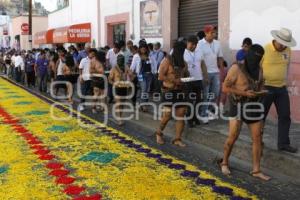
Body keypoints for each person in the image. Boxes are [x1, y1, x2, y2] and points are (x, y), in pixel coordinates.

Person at [220, 44, 271, 181]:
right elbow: (225, 88)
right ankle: (224, 162)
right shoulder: (236, 68)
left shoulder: (260, 70)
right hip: (237, 106)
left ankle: (256, 170)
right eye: (255, 57)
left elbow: (260, 85)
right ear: (248, 55)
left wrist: (261, 91)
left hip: (253, 106)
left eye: (259, 57)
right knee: (233, 136)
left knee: (257, 139)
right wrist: (244, 92)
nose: (256, 60)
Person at [261, 28, 298, 153]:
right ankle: (257, 140)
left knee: (285, 116)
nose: (283, 45)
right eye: (281, 42)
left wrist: (285, 80)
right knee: (261, 116)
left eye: (285, 43)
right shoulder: (265, 49)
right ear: (276, 39)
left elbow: (286, 66)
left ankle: (283, 144)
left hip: (281, 88)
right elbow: (257, 67)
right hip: (266, 87)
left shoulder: (288, 50)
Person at [155, 41, 189, 147]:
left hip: (180, 92)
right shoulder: (167, 61)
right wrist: (174, 80)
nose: (183, 52)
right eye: (181, 50)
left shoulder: (184, 62)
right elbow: (160, 77)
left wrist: (185, 79)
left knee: (181, 115)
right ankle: (159, 133)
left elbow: (185, 75)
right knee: (167, 115)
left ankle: (177, 139)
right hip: (168, 91)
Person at [198, 25, 224, 122]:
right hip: (205, 73)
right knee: (205, 94)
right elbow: (199, 60)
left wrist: (221, 71)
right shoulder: (200, 44)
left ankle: (207, 110)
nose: (214, 34)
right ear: (206, 33)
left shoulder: (217, 43)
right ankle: (203, 114)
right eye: (212, 32)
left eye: (215, 33)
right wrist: (203, 74)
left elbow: (220, 57)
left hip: (216, 72)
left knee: (215, 94)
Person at [184, 35, 207, 127]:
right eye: (192, 44)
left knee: (199, 100)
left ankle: (194, 116)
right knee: (189, 100)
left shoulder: (199, 51)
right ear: (187, 43)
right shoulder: (183, 52)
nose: (194, 46)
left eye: (195, 44)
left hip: (198, 79)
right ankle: (189, 118)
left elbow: (203, 64)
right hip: (188, 80)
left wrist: (206, 76)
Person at [130, 41, 157, 112]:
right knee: (144, 88)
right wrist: (131, 73)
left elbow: (154, 64)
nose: (143, 49)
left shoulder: (150, 56)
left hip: (149, 75)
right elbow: (132, 66)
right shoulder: (136, 56)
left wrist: (155, 72)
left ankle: (140, 104)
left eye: (145, 48)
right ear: (139, 49)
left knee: (146, 90)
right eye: (142, 48)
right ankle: (143, 105)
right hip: (141, 75)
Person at [109, 54, 131, 126]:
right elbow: (109, 79)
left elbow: (131, 75)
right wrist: (114, 84)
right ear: (117, 60)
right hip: (117, 88)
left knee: (122, 104)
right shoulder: (114, 68)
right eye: (119, 59)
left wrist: (129, 80)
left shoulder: (126, 67)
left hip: (124, 87)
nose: (120, 61)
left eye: (122, 59)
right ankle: (119, 119)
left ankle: (120, 116)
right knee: (118, 104)